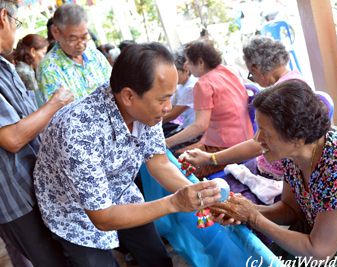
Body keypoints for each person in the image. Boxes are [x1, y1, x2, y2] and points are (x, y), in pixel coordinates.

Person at [33, 42, 221, 267]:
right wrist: (175, 202)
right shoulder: (78, 130)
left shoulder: (146, 109)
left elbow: (159, 162)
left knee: (157, 258)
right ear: (129, 96)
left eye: (170, 97)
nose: (168, 107)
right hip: (72, 212)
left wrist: (194, 192)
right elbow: (102, 217)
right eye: (162, 99)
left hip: (119, 192)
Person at [211, 79, 337, 262]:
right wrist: (245, 210)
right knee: (269, 255)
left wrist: (254, 218)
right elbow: (292, 210)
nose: (257, 139)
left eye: (265, 132)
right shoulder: (296, 154)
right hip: (322, 230)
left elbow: (318, 252)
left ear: (298, 138)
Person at [180, 37, 306, 202]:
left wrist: (211, 158)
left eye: (251, 74)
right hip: (260, 159)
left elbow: (259, 144)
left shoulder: (281, 95)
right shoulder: (296, 80)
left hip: (270, 171)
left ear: (255, 67)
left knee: (212, 195)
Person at [0, 1, 74, 266]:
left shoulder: (4, 66)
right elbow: (12, 138)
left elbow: (26, 119)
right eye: (15, 23)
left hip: (35, 184)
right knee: (50, 260)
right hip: (16, 196)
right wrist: (56, 103)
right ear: (2, 18)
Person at [166, 40, 254, 178]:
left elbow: (200, 126)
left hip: (227, 148)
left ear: (200, 62)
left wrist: (167, 142)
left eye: (188, 61)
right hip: (247, 141)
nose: (186, 66)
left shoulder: (203, 84)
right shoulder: (230, 71)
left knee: (177, 169)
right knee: (181, 153)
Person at [38, 3, 111, 100]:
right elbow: (61, 113)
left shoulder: (95, 55)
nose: (80, 44)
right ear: (56, 32)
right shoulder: (48, 69)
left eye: (84, 37)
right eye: (73, 39)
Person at [162, 49, 198, 139]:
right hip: (184, 126)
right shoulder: (180, 86)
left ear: (186, 70)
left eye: (175, 73)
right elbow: (169, 108)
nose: (172, 77)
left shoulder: (191, 87)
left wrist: (149, 123)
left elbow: (172, 115)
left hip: (194, 131)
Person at [14, 34, 49, 107]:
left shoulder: (22, 68)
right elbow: (38, 103)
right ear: (33, 51)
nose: (45, 58)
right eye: (43, 53)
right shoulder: (26, 72)